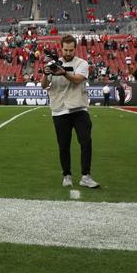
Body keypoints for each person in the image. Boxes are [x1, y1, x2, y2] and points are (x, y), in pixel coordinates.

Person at [40, 34, 100, 188]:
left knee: (86, 141)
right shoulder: (53, 64)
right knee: (63, 145)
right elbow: (43, 85)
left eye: (71, 50)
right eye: (65, 50)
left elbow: (77, 79)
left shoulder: (82, 63)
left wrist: (64, 73)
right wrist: (46, 73)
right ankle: (67, 175)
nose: (68, 53)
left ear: (75, 49)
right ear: (61, 48)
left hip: (79, 108)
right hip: (59, 109)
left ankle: (86, 176)